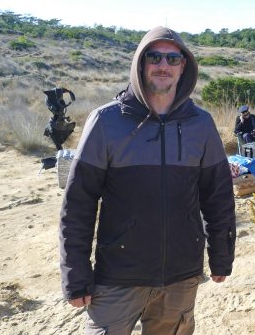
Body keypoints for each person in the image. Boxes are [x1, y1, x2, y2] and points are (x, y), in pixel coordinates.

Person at [59, 26, 236, 335]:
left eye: (172, 58)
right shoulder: (106, 121)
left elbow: (218, 196)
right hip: (117, 275)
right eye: (154, 57)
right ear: (141, 64)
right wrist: (75, 275)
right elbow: (78, 204)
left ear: (184, 66)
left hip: (181, 275)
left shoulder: (201, 124)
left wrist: (221, 256)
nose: (163, 65)